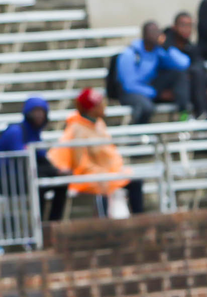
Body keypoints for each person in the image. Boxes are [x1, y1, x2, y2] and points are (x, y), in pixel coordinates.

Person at [47, 88, 143, 218]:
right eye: (99, 104)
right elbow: (80, 163)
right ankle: (104, 226)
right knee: (101, 185)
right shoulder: (77, 129)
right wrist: (102, 174)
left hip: (108, 172)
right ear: (91, 109)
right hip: (87, 176)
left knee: (136, 180)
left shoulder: (98, 124)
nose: (104, 106)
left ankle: (140, 221)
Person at [0, 96, 66, 221]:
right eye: (35, 111)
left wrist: (57, 171)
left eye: (42, 112)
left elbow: (42, 159)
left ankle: (53, 222)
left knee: (62, 181)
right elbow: (23, 159)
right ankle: (39, 225)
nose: (39, 115)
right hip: (5, 179)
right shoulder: (16, 131)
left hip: (24, 176)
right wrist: (53, 171)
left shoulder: (34, 133)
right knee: (38, 182)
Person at [116, 21, 192, 125]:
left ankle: (184, 115)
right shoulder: (129, 54)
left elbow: (184, 63)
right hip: (132, 92)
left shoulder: (158, 51)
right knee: (146, 107)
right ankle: (137, 135)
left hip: (150, 89)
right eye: (152, 31)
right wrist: (155, 93)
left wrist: (166, 45)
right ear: (144, 34)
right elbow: (128, 85)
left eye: (157, 31)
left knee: (179, 75)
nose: (156, 34)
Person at [164, 11, 207, 120]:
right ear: (174, 27)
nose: (187, 29)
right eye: (183, 25)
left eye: (190, 25)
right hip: (174, 88)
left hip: (193, 86)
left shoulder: (191, 47)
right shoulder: (166, 45)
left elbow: (200, 66)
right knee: (196, 73)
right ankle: (202, 113)